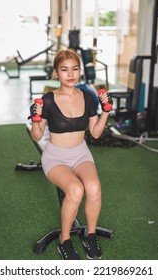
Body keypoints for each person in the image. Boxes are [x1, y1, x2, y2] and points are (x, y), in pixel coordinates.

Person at [30, 48, 112, 260]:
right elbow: (37, 137)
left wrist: (105, 112)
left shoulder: (88, 96)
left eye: (75, 69)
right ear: (56, 73)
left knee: (93, 188)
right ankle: (64, 240)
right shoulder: (48, 100)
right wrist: (36, 120)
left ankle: (90, 235)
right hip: (55, 157)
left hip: (80, 154)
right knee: (75, 189)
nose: (71, 74)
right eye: (64, 69)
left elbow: (94, 133)